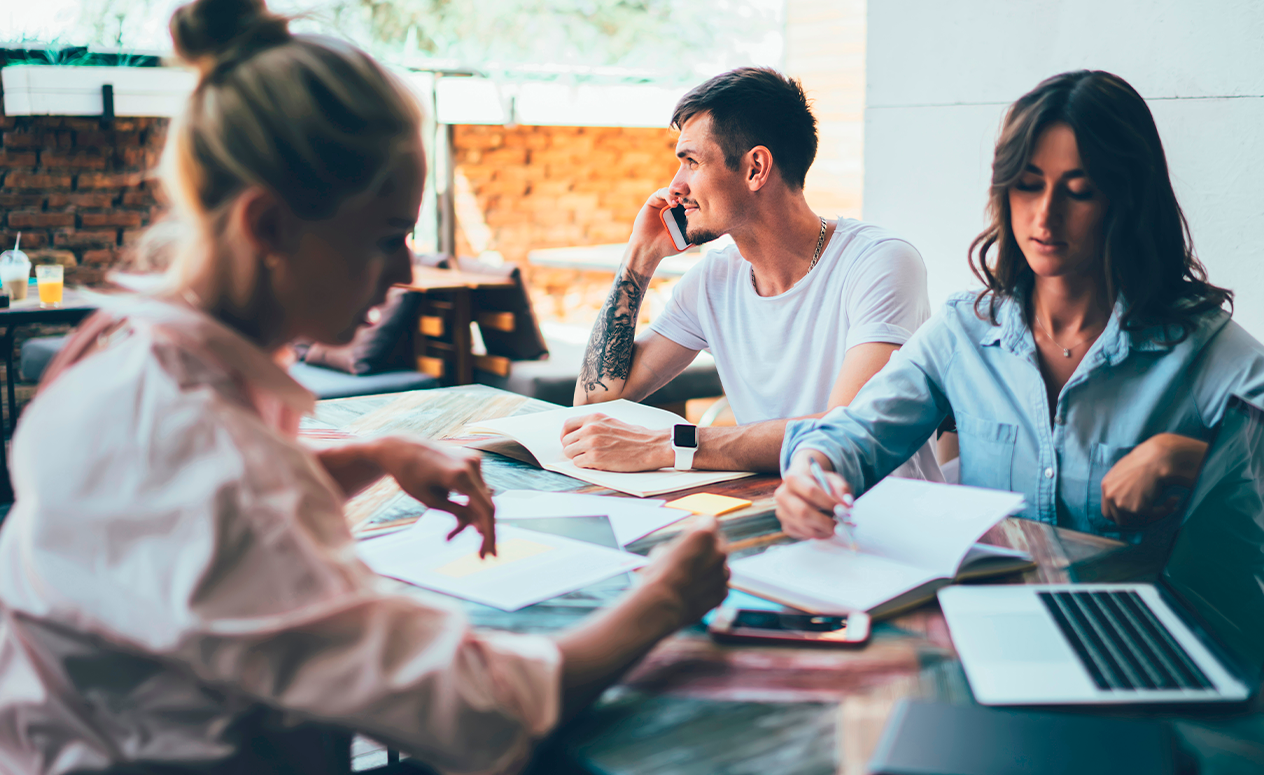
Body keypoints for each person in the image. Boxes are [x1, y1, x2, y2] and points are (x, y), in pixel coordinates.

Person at [0, 1, 728, 773]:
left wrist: (376, 454)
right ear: (270, 227)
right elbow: (476, 706)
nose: (407, 275)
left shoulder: (124, 358)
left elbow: (176, 517)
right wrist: (664, 601)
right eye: (388, 235)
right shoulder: (220, 466)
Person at [775, 70, 1264, 555]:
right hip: (990, 631)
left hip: (1140, 644)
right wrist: (812, 471)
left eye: (1079, 191)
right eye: (1029, 184)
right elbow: (848, 436)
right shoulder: (965, 332)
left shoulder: (1199, 347)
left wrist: (1198, 463)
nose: (1044, 217)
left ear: (1125, 199)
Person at [562, 67, 941, 481]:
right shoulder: (713, 282)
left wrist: (669, 445)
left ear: (756, 168)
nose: (675, 186)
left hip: (881, 523)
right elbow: (595, 400)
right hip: (770, 512)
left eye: (691, 162)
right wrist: (639, 258)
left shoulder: (879, 263)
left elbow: (845, 432)